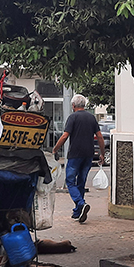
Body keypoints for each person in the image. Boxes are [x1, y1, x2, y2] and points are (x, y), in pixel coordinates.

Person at [52, 94, 106, 223]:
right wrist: (102, 153)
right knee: (81, 182)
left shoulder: (73, 117)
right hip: (88, 154)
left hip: (75, 154)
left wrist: (55, 149)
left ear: (73, 106)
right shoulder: (91, 118)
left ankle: (80, 203)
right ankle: (78, 211)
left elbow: (65, 136)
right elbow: (99, 137)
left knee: (70, 181)